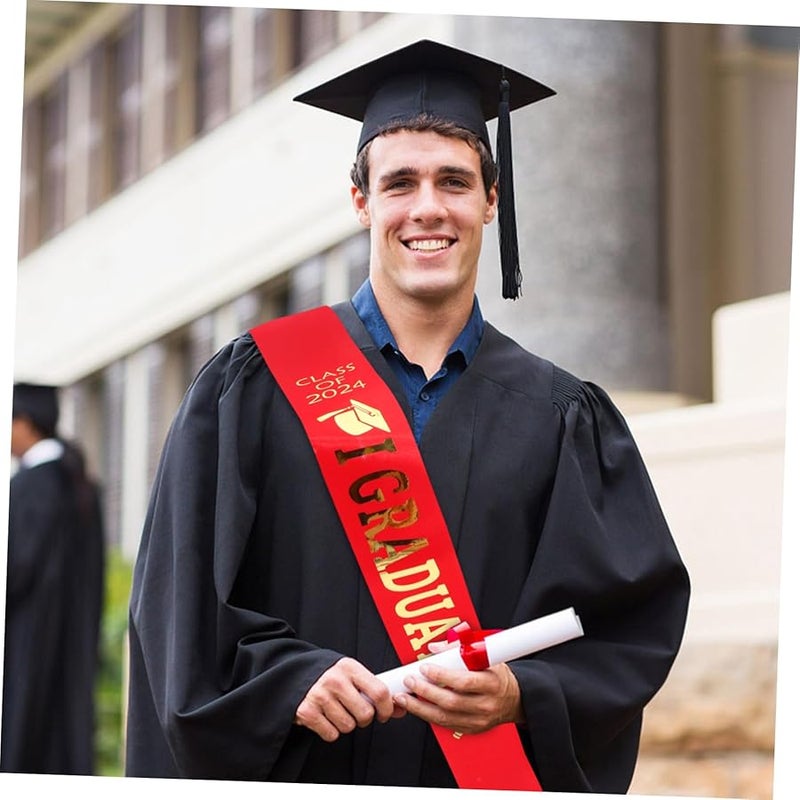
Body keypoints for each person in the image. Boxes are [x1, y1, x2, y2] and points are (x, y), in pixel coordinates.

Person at [125, 39, 690, 792]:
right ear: (361, 201)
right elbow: (179, 606)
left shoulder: (561, 417)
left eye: (454, 181)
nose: (428, 208)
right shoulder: (254, 387)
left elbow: (627, 624)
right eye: (400, 183)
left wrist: (521, 692)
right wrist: (287, 680)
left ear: (491, 200)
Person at [2, 383, 106, 774]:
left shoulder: (29, 487)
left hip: (25, 645)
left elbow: (15, 571)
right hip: (72, 645)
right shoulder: (80, 484)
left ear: (25, 423)